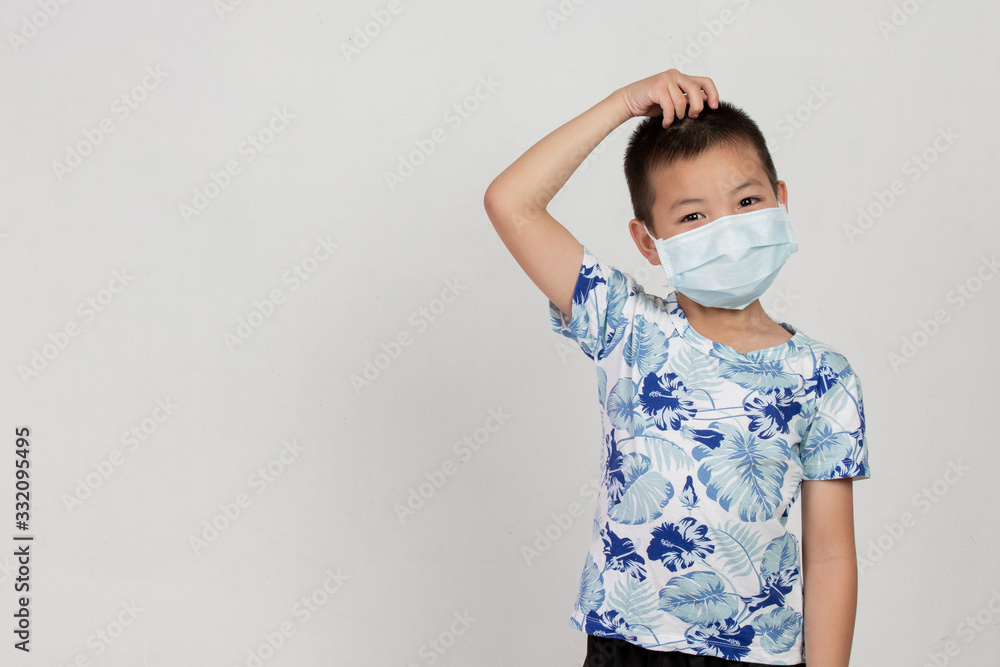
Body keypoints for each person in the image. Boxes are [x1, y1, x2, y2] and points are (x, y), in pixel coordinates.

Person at [483, 69, 871, 667]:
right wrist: (622, 104)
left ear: (781, 201)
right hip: (626, 645)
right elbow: (512, 203)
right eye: (693, 216)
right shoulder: (625, 325)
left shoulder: (825, 376)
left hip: (758, 654)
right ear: (648, 241)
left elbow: (829, 557)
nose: (728, 230)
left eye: (747, 202)